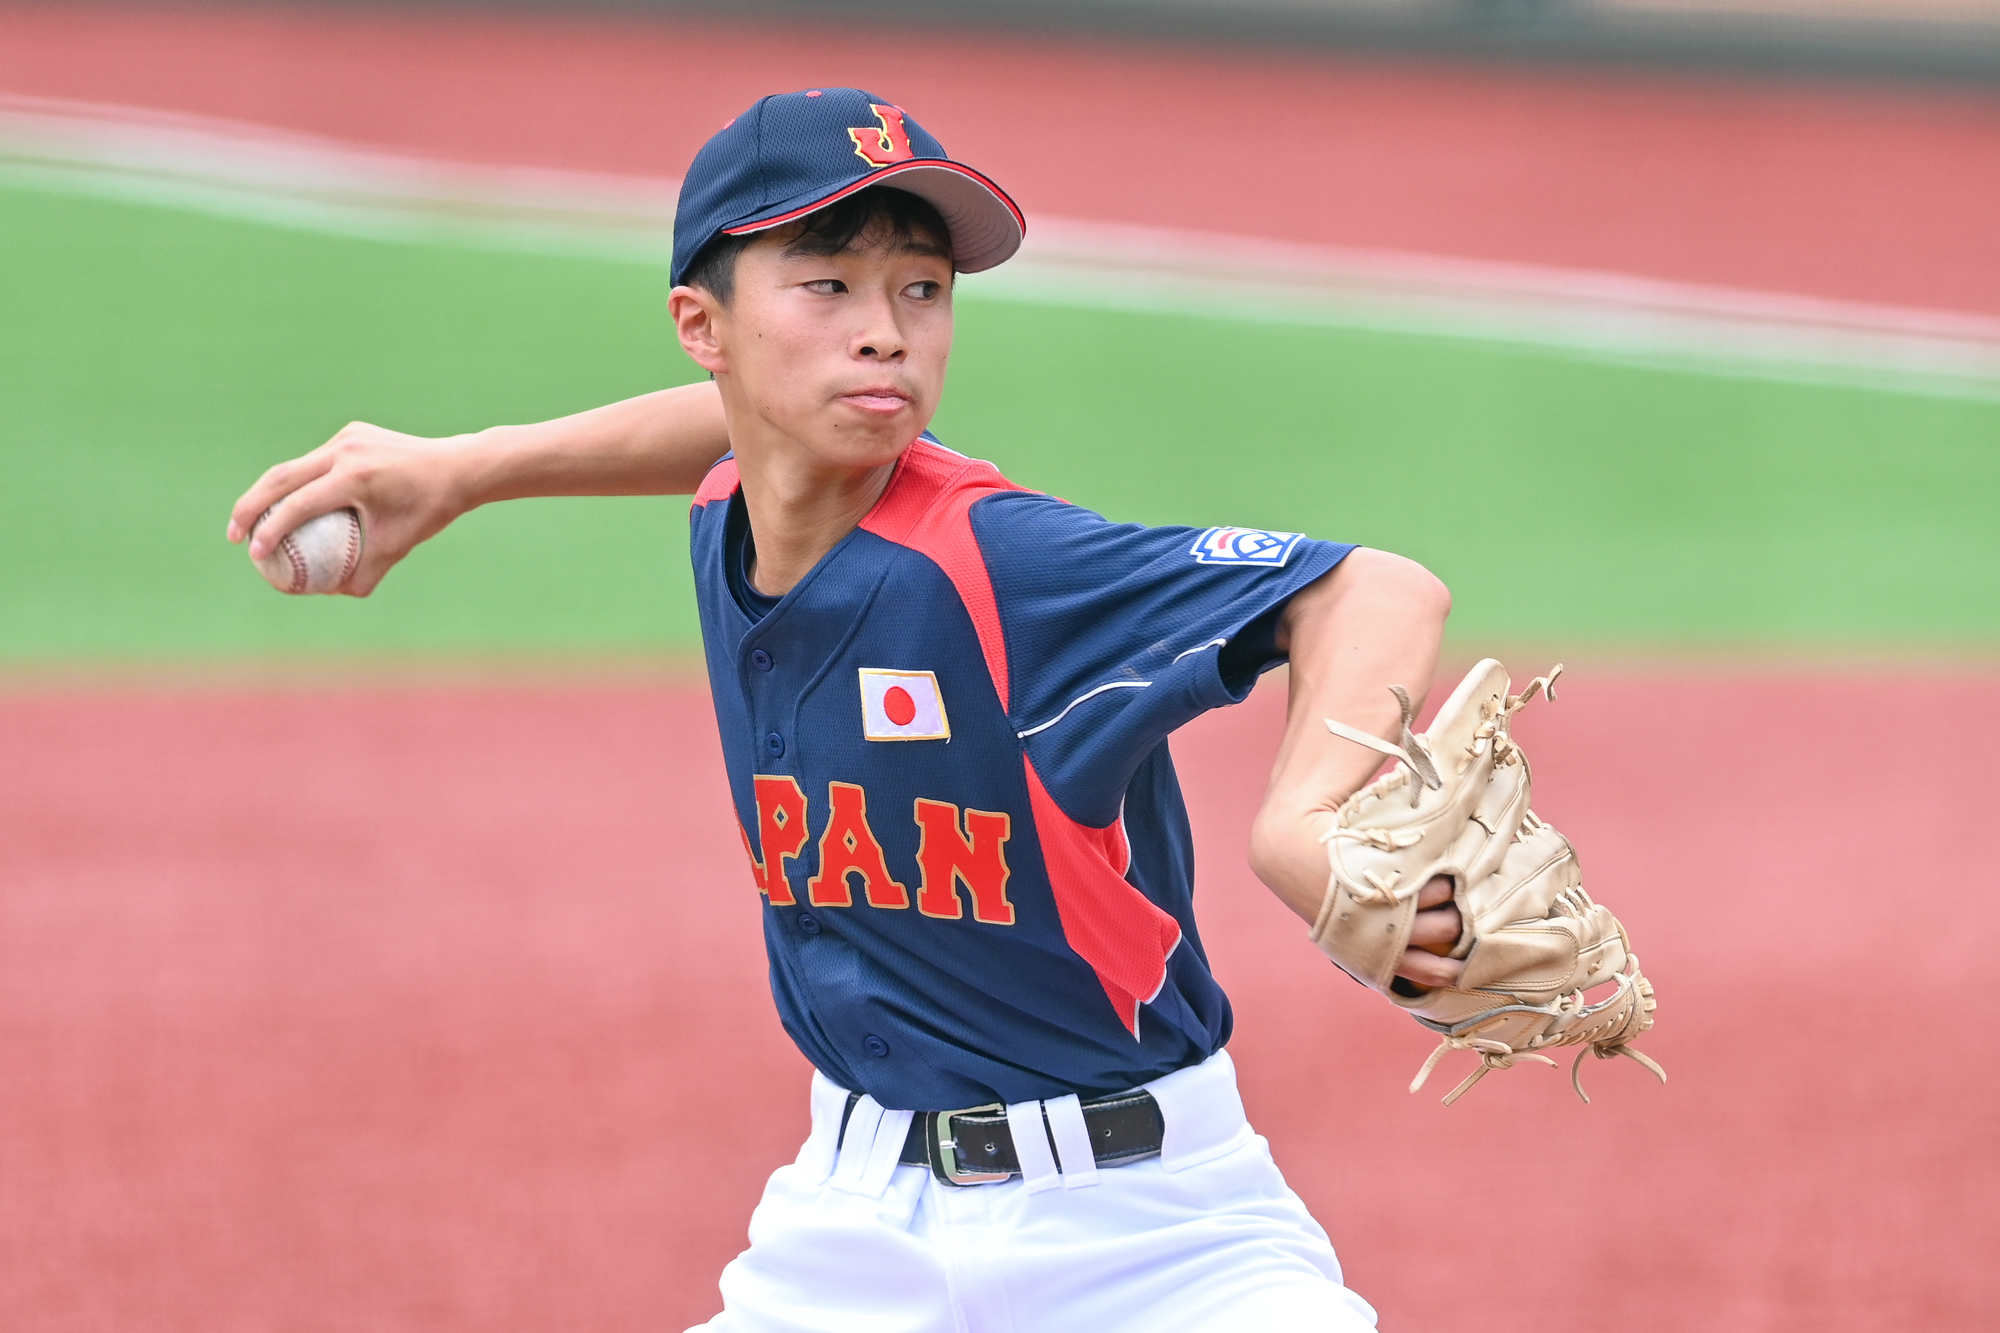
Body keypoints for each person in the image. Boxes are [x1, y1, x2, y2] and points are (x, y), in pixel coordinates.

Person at [230, 89, 1460, 1332]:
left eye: (921, 291)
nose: (884, 335)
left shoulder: (1002, 562)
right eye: (826, 286)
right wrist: (463, 469)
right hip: (852, 1228)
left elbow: (1372, 587)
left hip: (1155, 1237)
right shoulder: (737, 510)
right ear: (699, 326)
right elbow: (735, 430)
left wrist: (1300, 820)